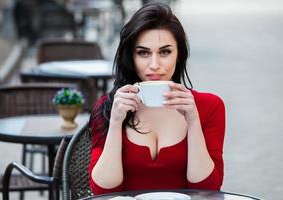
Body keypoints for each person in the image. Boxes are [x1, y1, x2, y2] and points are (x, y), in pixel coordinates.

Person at [88, 3, 225, 195]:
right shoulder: (110, 106)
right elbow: (103, 190)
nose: (154, 65)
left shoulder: (209, 106)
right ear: (131, 57)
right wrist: (116, 122)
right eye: (143, 53)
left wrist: (193, 121)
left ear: (179, 55)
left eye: (165, 52)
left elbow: (207, 190)